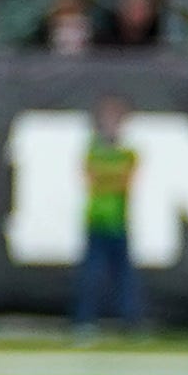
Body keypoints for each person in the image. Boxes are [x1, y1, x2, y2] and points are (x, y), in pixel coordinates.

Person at [70, 97, 145, 335]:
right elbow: (95, 175)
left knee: (125, 277)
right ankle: (84, 320)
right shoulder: (96, 150)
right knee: (92, 276)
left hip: (118, 222)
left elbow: (124, 178)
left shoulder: (127, 153)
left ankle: (130, 321)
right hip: (97, 221)